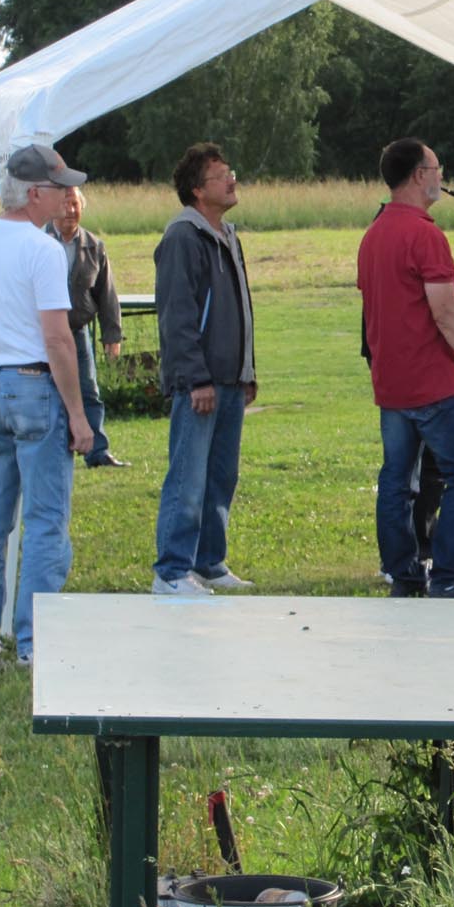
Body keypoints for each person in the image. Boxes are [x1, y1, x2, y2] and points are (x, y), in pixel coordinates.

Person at [0, 144, 94, 666]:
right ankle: (36, 642)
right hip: (35, 386)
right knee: (44, 520)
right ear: (35, 193)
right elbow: (57, 340)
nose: (67, 196)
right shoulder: (42, 250)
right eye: (59, 187)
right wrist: (78, 417)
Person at [357, 138, 454, 605]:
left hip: (392, 384)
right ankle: (450, 580)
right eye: (437, 168)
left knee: (398, 482)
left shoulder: (374, 233)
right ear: (420, 174)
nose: (442, 177)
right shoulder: (425, 235)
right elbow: (444, 312)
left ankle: (405, 577)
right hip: (437, 383)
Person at [151, 143, 257, 596]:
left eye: (230, 171)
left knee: (220, 476)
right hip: (201, 382)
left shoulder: (228, 234)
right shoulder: (183, 237)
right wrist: (197, 378)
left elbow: (239, 309)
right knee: (188, 477)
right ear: (197, 190)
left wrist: (246, 369)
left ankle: (209, 561)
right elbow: (178, 315)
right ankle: (172, 572)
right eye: (220, 175)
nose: (231, 179)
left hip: (230, 380)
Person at [47, 186, 128, 468]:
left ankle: (97, 451)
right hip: (42, 333)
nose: (70, 210)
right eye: (66, 204)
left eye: (75, 204)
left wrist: (112, 335)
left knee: (88, 389)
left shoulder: (94, 246)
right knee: (47, 389)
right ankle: (54, 446)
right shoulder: (38, 241)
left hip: (77, 331)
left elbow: (107, 295)